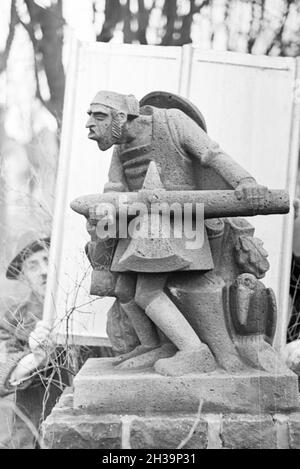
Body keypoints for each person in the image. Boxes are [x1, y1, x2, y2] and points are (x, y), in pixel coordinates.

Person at [84, 90, 269, 376]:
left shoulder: (172, 123)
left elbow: (213, 155)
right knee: (123, 289)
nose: (90, 125)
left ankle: (194, 352)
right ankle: (154, 345)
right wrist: (105, 210)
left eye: (98, 116)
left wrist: (246, 181)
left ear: (121, 117)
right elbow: (115, 188)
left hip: (181, 220)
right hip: (140, 225)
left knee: (147, 294)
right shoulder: (120, 145)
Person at [0, 232, 69, 449]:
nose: (44, 271)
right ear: (23, 276)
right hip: (37, 436)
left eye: (48, 259)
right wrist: (36, 356)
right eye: (32, 265)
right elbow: (2, 372)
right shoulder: (11, 319)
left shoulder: (91, 307)